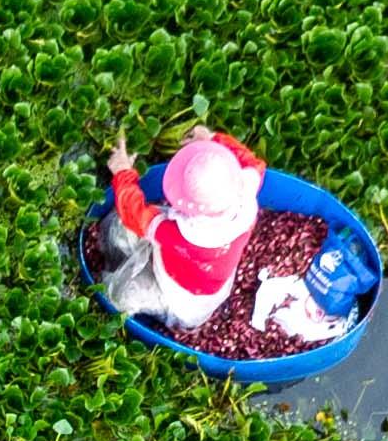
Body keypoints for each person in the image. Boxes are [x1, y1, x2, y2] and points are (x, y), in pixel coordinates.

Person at [95, 131, 264, 336]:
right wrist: (212, 138)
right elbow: (252, 162)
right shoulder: (245, 195)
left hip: (178, 299)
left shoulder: (180, 235)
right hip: (209, 284)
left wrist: (123, 173)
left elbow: (134, 214)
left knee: (122, 295)